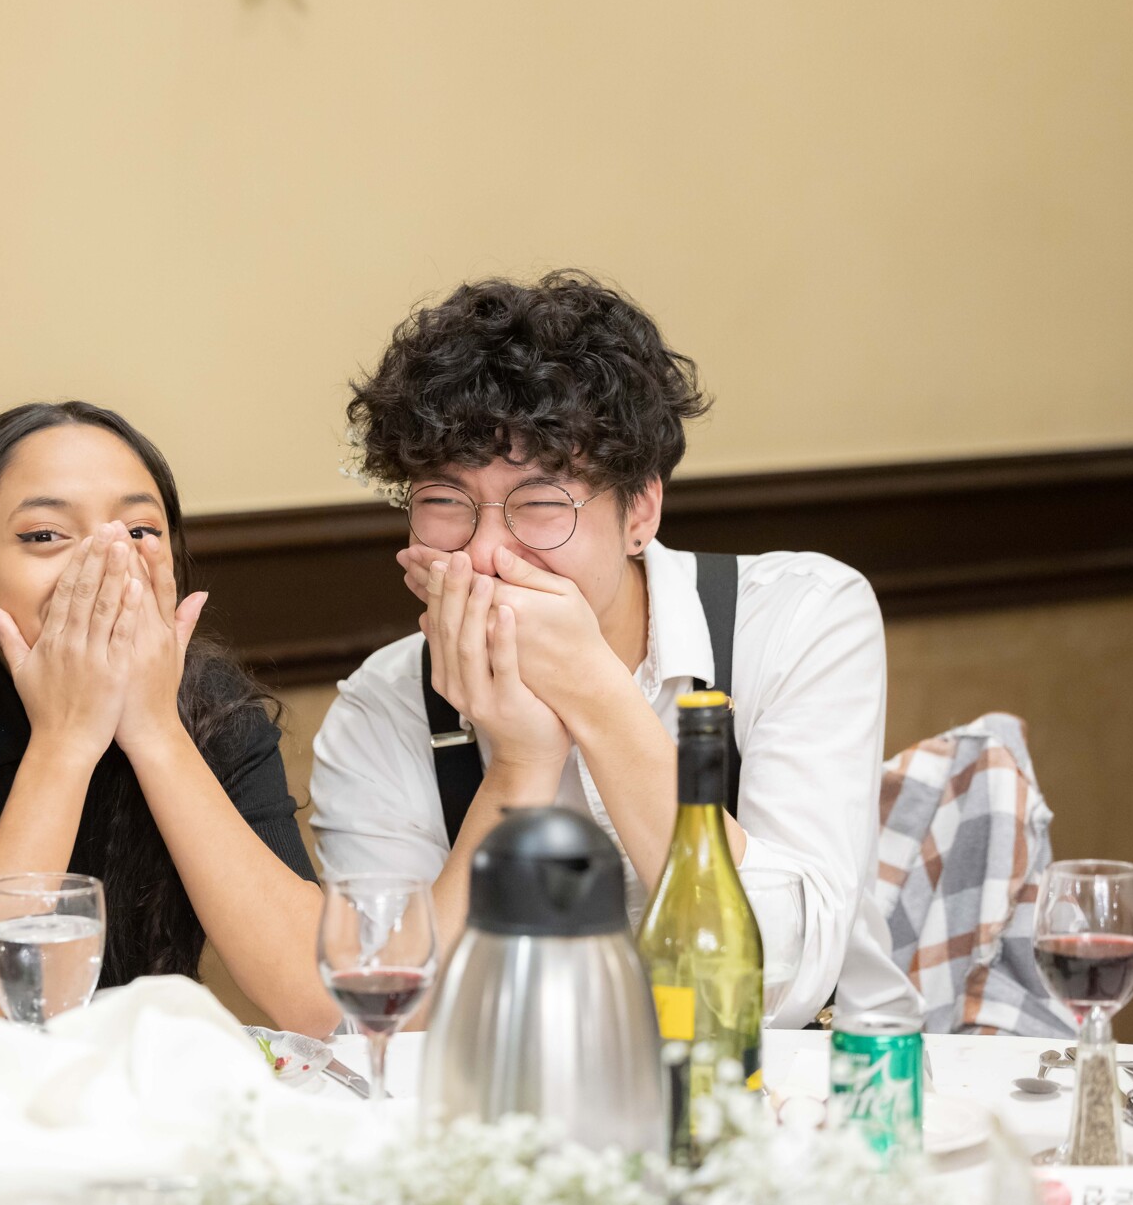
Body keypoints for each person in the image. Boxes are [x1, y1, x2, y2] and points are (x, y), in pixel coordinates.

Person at [310, 272, 920, 1029]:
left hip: (822, 1083)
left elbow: (779, 986)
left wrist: (593, 692)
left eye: (541, 502)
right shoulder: (383, 707)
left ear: (641, 512)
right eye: (443, 501)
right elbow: (385, 1025)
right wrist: (519, 765)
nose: (487, 551)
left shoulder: (799, 618)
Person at [0, 402, 339, 1080]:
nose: (107, 561)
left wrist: (156, 731)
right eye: (46, 535)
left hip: (120, 1102)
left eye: (139, 530)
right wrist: (66, 739)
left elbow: (316, 998)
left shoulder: (211, 704)